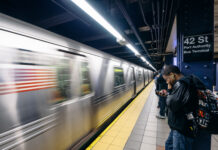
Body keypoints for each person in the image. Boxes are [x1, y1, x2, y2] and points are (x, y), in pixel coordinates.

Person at [162, 65, 211, 150]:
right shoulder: (186, 82)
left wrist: (169, 90)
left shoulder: (182, 84)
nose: (167, 82)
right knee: (169, 145)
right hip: (180, 126)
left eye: (167, 79)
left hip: (182, 128)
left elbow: (172, 105)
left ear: (172, 75)